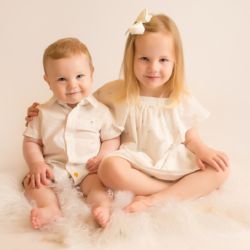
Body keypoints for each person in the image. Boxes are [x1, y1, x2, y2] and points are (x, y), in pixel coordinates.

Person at [26, 9, 229, 214]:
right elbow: (78, 106)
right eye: (144, 59)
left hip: (170, 159)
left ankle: (155, 198)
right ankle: (177, 191)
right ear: (131, 58)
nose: (153, 68)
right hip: (132, 163)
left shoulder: (180, 97)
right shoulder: (116, 91)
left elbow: (191, 137)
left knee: (221, 169)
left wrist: (204, 150)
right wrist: (41, 111)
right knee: (108, 168)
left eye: (163, 60)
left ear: (176, 61)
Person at [23, 37, 121, 229]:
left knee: (98, 187)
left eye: (79, 76)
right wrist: (37, 164)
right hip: (54, 168)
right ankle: (49, 207)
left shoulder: (100, 110)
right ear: (48, 81)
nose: (72, 85)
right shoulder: (42, 112)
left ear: (92, 74)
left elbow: (112, 138)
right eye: (61, 79)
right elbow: (31, 141)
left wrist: (102, 156)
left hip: (88, 169)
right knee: (33, 183)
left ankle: (102, 206)